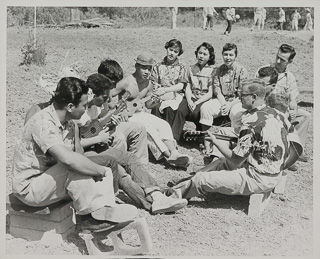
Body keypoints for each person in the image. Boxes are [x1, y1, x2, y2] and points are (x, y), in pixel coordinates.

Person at [23, 75, 188, 215]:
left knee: (126, 159)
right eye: (84, 106)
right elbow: (68, 157)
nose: (86, 109)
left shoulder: (70, 120)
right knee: (113, 167)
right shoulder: (43, 117)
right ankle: (138, 203)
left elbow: (78, 147)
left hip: (75, 157)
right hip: (44, 178)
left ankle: (156, 196)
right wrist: (101, 166)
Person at [13, 77, 139, 231]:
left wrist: (101, 170)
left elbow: (79, 155)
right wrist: (98, 170)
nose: (86, 109)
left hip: (50, 181)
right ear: (70, 106)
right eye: (84, 106)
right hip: (29, 188)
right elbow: (69, 160)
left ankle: (104, 211)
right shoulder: (43, 122)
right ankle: (91, 218)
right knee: (73, 166)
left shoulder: (69, 123)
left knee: (96, 166)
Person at [166, 79, 295, 200]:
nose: (239, 98)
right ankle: (185, 183)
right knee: (220, 162)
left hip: (257, 178)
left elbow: (236, 160)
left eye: (242, 95)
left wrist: (216, 141)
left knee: (202, 179)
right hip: (272, 173)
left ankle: (169, 198)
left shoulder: (251, 121)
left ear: (254, 97)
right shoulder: (276, 113)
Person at [111, 53, 192, 168]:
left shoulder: (148, 84)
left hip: (140, 113)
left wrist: (155, 100)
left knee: (163, 124)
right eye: (144, 68)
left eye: (149, 68)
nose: (147, 71)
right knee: (149, 129)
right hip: (128, 117)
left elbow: (148, 105)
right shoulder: (126, 82)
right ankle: (169, 157)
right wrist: (118, 111)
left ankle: (175, 153)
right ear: (136, 66)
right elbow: (108, 96)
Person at [255, 44, 311, 170]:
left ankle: (296, 150)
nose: (278, 61)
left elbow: (293, 99)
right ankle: (284, 156)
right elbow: (256, 93)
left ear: (290, 61)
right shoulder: (264, 71)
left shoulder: (289, 77)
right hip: (266, 109)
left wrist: (294, 110)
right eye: (277, 57)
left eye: (283, 60)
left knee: (305, 116)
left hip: (283, 109)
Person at [167, 42, 217, 150]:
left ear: (210, 57)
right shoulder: (190, 68)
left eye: (205, 54)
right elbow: (188, 87)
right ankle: (173, 138)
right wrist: (189, 100)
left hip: (204, 99)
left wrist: (196, 103)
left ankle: (201, 137)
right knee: (180, 110)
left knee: (196, 113)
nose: (201, 56)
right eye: (200, 53)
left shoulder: (213, 71)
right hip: (191, 97)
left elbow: (210, 93)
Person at [199, 43, 248, 137]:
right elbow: (217, 90)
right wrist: (224, 104)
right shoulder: (219, 70)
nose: (228, 58)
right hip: (222, 100)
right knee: (205, 108)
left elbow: (242, 93)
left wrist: (229, 105)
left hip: (236, 101)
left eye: (231, 55)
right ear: (222, 55)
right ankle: (207, 139)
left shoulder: (241, 71)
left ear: (235, 56)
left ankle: (233, 141)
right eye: (225, 54)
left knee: (236, 114)